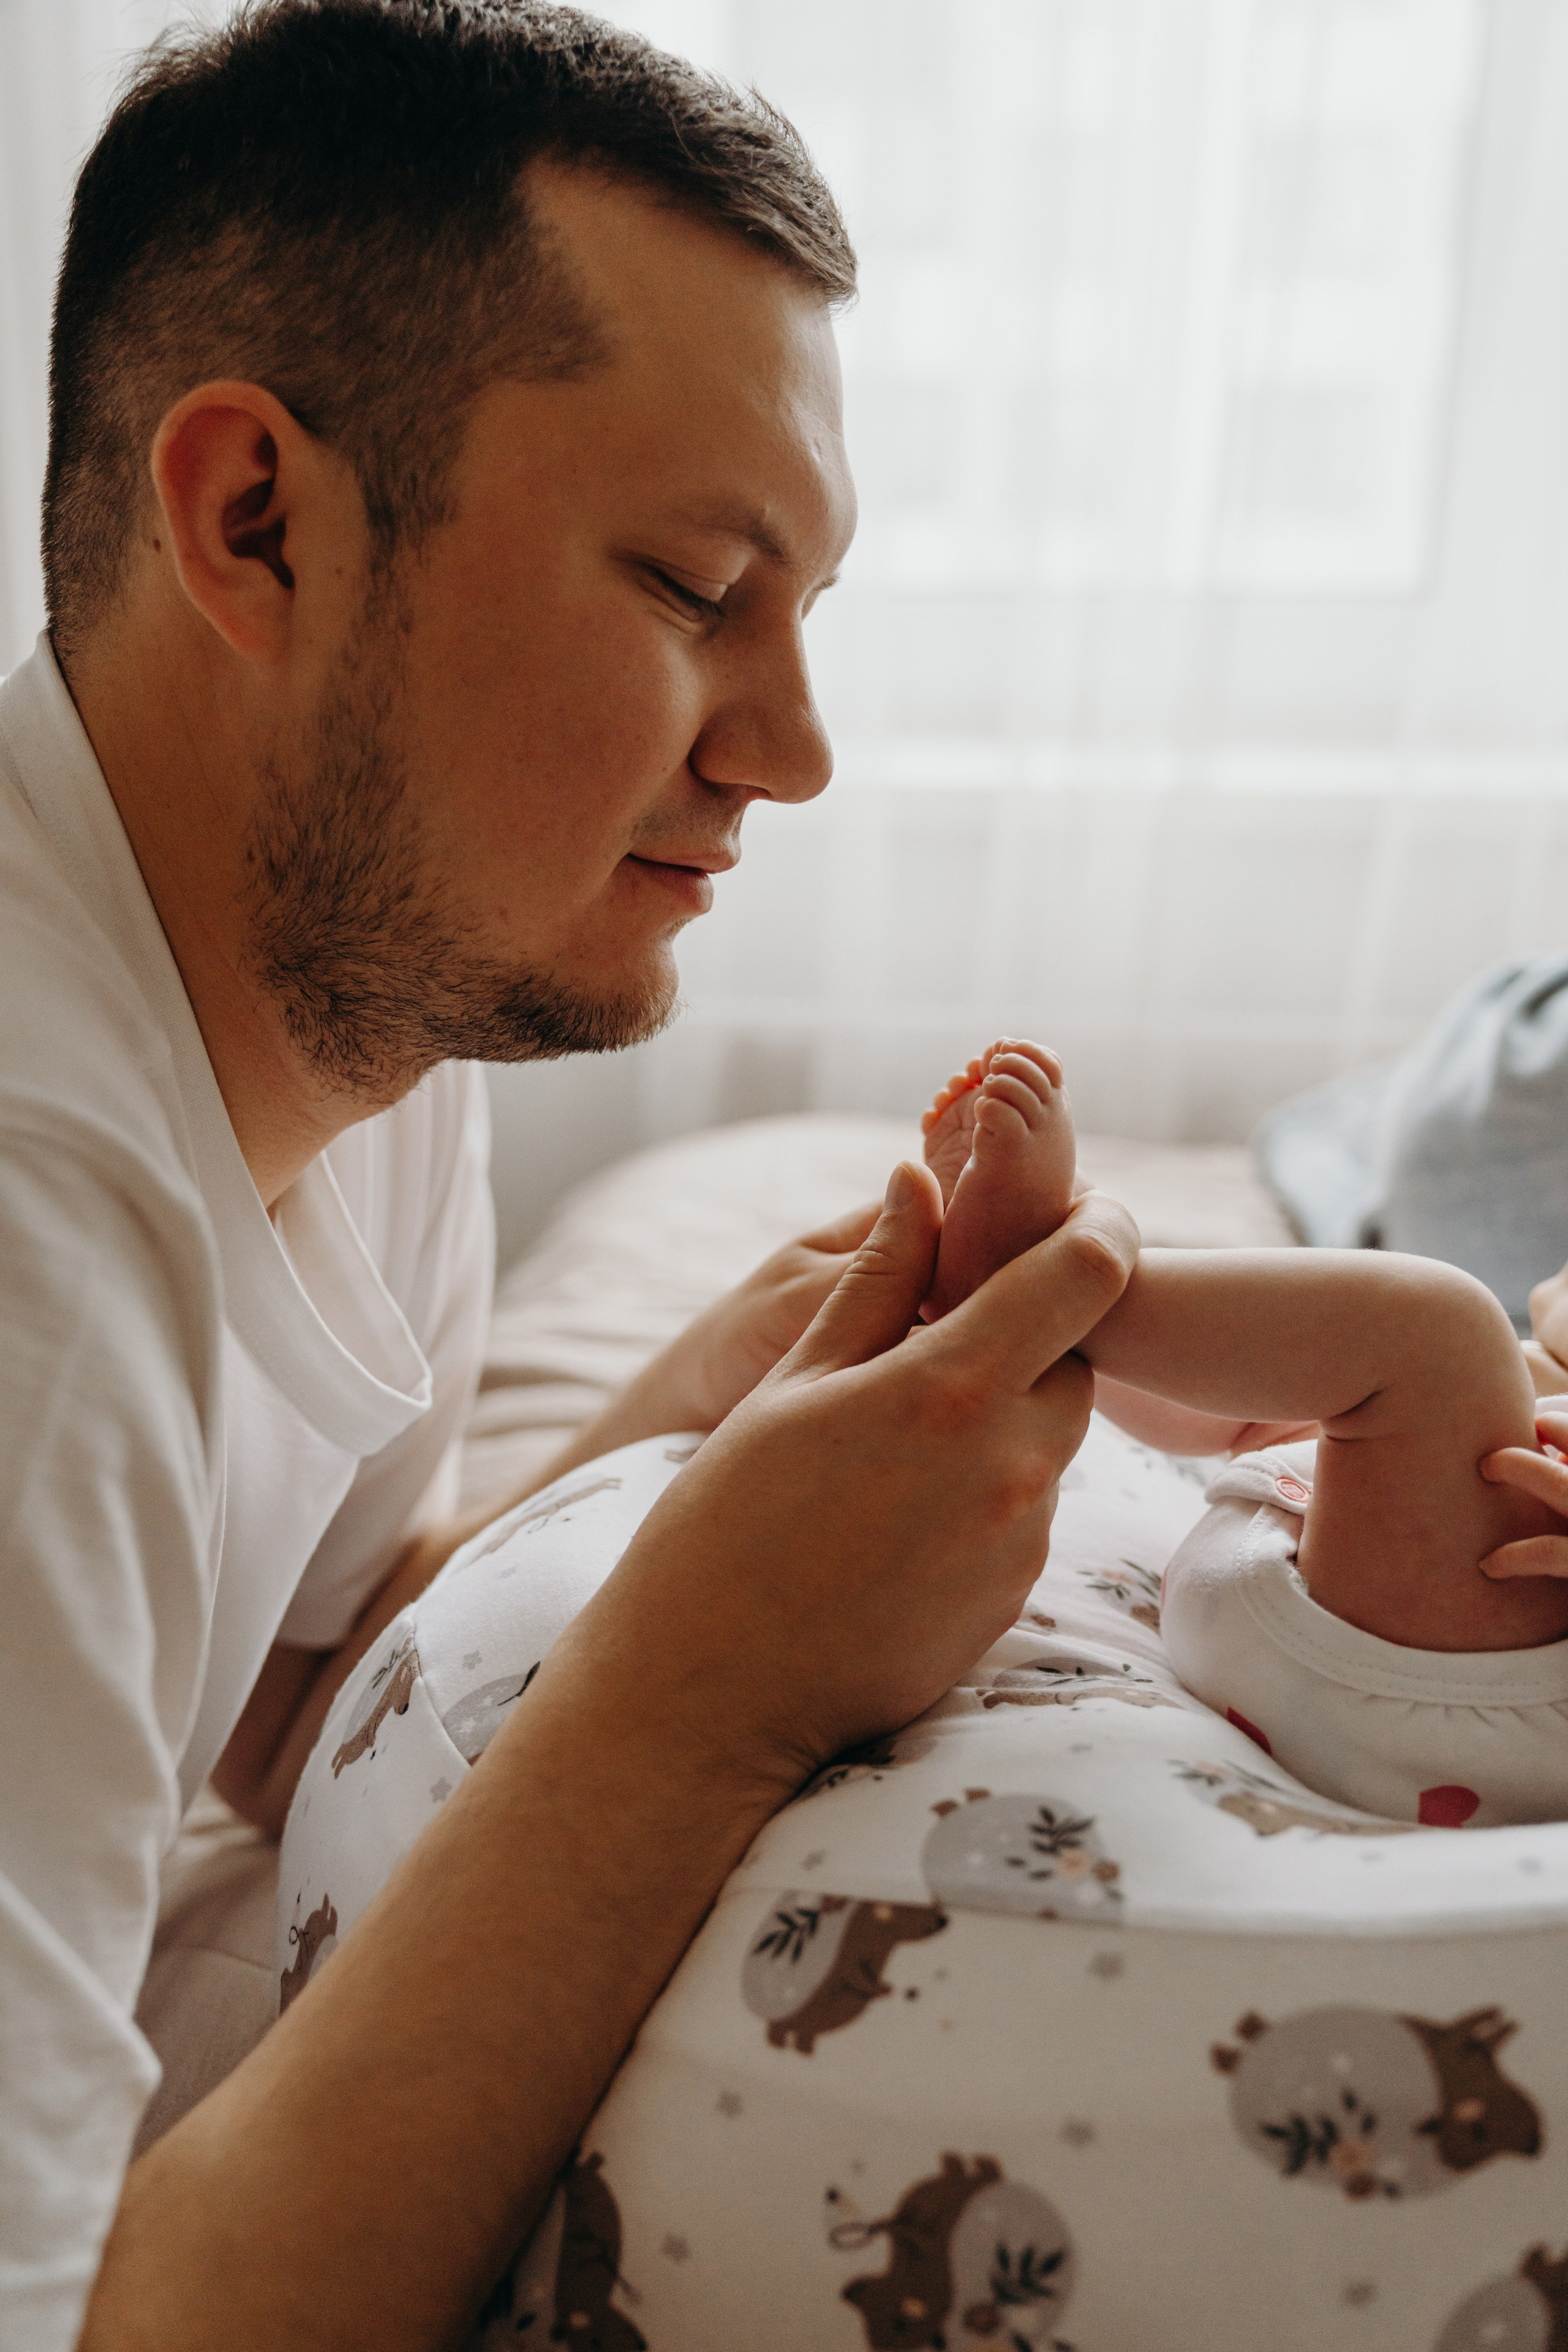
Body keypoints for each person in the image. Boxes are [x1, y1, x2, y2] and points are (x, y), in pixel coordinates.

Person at [1, 7, 1141, 2348]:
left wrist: (692, 1430)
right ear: (257, 523)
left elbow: (282, 1697)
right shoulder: (33, 1266)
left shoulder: (366, 1014)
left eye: (804, 615)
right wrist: (700, 1692)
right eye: (696, 589)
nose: (793, 752)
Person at [919, 1039, 1568, 1825]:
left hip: (1474, 1695)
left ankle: (1045, 1282)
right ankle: (1057, 1278)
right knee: (1283, 1392)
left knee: (1437, 1329)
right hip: (1343, 1611)